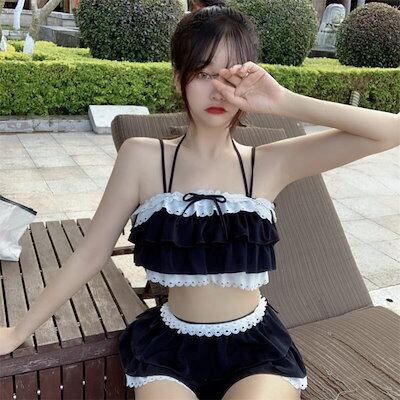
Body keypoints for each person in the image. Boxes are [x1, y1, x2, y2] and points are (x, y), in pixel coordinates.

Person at [1, 5, 398, 400]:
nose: (217, 90)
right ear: (179, 79)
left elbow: (391, 132)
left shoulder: (269, 162)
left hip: (255, 350)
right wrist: (19, 330)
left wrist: (283, 100)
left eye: (230, 76)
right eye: (203, 74)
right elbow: (91, 253)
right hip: (170, 349)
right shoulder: (142, 157)